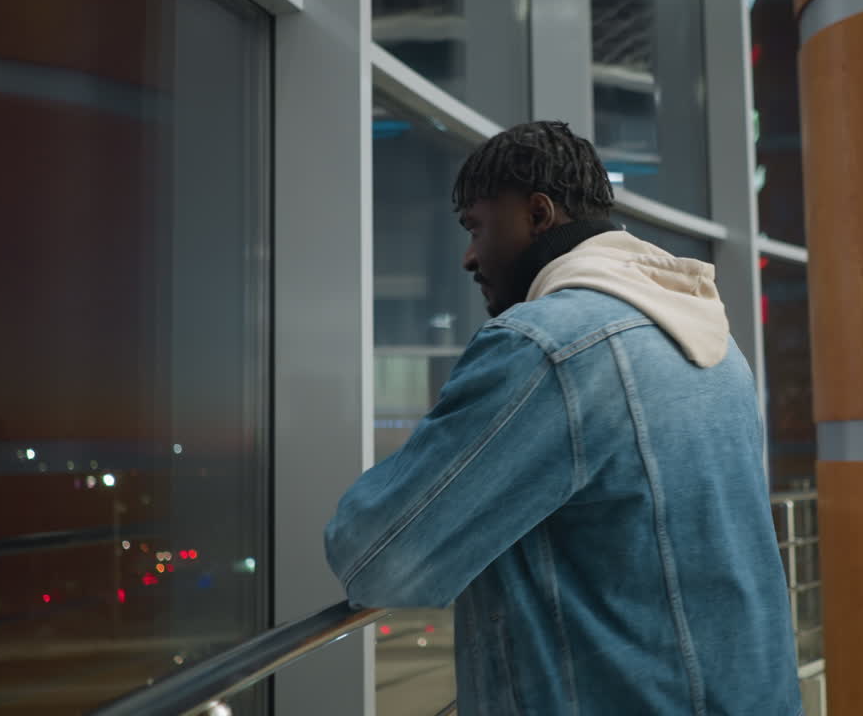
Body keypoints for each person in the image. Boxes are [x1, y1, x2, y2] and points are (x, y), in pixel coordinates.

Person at [325, 121, 802, 715]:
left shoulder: (547, 349)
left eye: (477, 226)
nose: (470, 256)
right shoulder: (709, 339)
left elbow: (380, 559)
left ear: (539, 214)